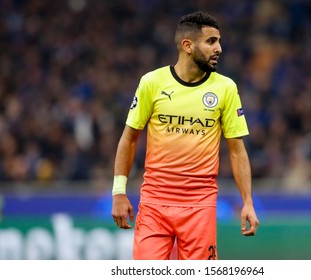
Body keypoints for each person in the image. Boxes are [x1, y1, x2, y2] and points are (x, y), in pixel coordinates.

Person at [111, 11, 259, 260]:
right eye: (211, 41)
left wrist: (248, 202)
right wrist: (119, 192)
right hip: (155, 203)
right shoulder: (152, 83)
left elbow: (237, 150)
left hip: (200, 206)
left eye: (219, 41)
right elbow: (129, 138)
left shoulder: (225, 88)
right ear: (187, 46)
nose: (219, 48)